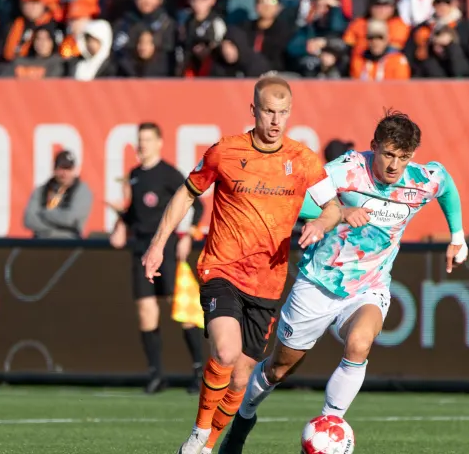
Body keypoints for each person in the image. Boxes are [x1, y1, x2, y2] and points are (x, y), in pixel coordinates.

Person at [218, 109, 469, 453]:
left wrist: (457, 236)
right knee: (278, 370)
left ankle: (329, 428)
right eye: (388, 155)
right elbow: (297, 200)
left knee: (359, 344)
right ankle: (243, 420)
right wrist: (336, 212)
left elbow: (447, 185)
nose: (395, 166)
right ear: (374, 147)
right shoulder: (346, 170)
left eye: (404, 157)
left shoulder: (421, 179)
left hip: (369, 286)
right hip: (318, 283)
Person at [141, 75, 343, 454]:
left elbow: (332, 207)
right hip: (222, 269)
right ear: (253, 110)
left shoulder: (302, 160)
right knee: (226, 351)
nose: (275, 120)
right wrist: (157, 245)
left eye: (283, 113)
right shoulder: (226, 151)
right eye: (269, 111)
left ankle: (208, 446)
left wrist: (320, 222)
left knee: (240, 379)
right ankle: (198, 436)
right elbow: (187, 193)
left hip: (267, 282)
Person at [109, 122, 207, 395]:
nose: (143, 145)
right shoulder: (135, 175)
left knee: (181, 310)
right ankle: (156, 374)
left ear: (159, 142)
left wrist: (187, 234)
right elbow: (134, 215)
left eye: (148, 140)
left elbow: (197, 203)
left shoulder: (168, 173)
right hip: (141, 249)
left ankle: (199, 371)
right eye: (140, 140)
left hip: (165, 246)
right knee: (146, 310)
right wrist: (120, 220)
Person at [23, 150, 93, 239]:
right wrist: (55, 228)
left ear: (75, 170)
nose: (64, 173)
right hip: (41, 242)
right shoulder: (41, 190)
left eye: (68, 169)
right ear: (54, 169)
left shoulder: (82, 191)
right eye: (61, 168)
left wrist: (44, 213)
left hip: (69, 242)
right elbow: (29, 220)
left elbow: (70, 219)